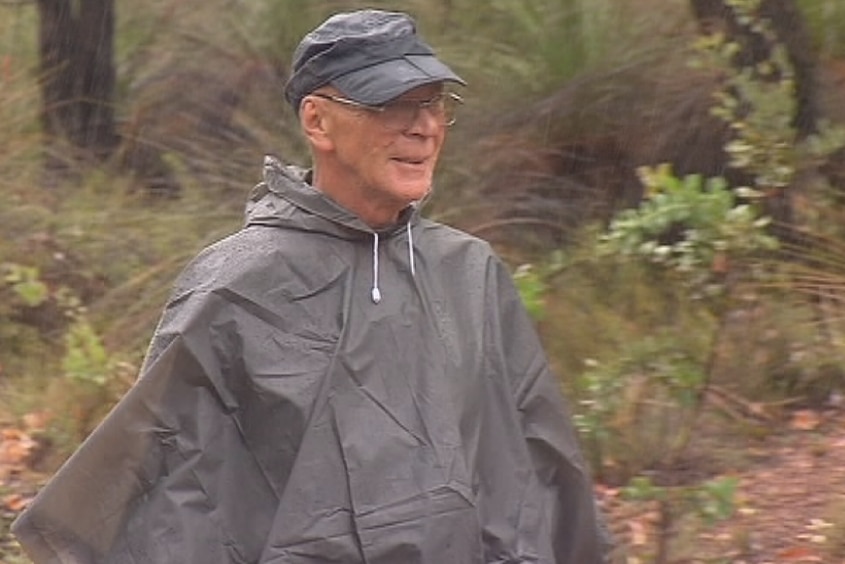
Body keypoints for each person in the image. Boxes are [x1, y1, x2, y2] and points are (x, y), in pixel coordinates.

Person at [13, 9, 611, 563]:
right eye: (392, 106)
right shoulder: (239, 283)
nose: (423, 128)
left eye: (433, 104)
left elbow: (535, 468)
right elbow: (173, 486)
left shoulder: (470, 272)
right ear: (318, 120)